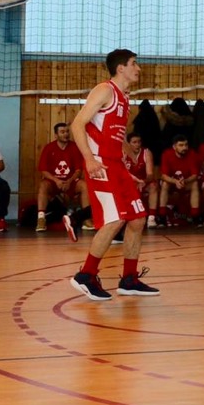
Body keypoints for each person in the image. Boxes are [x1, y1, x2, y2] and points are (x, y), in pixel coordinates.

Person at [67, 49, 157, 299]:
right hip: (100, 164)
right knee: (115, 220)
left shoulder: (124, 98)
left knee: (137, 219)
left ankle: (129, 279)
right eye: (134, 63)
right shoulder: (104, 90)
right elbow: (77, 124)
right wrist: (89, 159)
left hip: (116, 166)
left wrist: (127, 169)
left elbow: (116, 138)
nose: (138, 68)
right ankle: (85, 275)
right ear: (121, 68)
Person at [36, 122, 90, 233]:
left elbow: (78, 170)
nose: (66, 134)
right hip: (54, 182)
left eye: (67, 131)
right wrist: (57, 181)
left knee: (84, 186)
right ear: (56, 135)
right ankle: (41, 219)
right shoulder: (49, 148)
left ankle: (86, 219)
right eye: (62, 132)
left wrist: (69, 181)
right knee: (43, 186)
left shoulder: (74, 147)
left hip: (71, 181)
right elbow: (43, 170)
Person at [158, 135, 203, 226]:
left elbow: (195, 175)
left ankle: (195, 216)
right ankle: (162, 216)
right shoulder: (167, 154)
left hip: (185, 182)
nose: (184, 148)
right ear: (174, 147)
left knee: (194, 184)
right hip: (172, 182)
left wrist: (184, 181)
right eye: (181, 145)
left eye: (186, 145)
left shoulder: (192, 154)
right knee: (165, 184)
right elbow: (163, 176)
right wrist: (175, 182)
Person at [123, 131, 159, 226]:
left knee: (153, 186)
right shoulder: (124, 153)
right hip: (129, 182)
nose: (137, 144)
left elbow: (150, 174)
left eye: (139, 142)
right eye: (134, 142)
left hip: (143, 181)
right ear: (128, 144)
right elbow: (121, 173)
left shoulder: (146, 153)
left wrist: (143, 181)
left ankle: (151, 218)